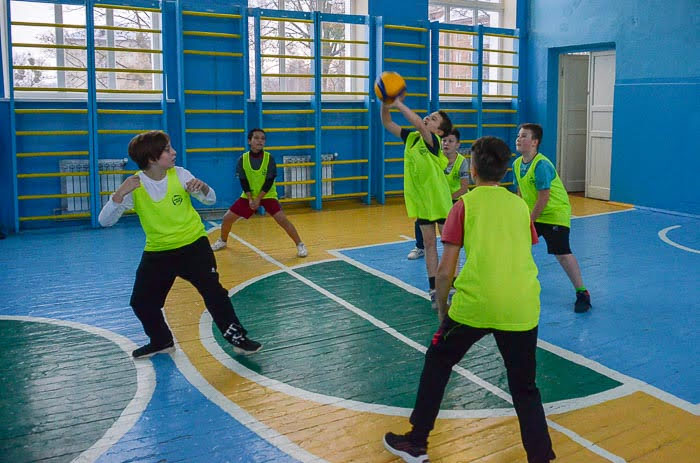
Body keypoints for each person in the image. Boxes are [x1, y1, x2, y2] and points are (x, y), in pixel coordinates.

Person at [383, 136, 556, 463]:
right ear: (506, 171)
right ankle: (541, 458)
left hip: (475, 304)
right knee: (525, 389)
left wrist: (443, 309)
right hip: (521, 305)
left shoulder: (464, 206)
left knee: (438, 361)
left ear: (472, 169)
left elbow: (446, 271)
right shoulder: (520, 205)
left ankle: (417, 442)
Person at [98, 131, 262, 358]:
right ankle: (161, 340)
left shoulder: (181, 174)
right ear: (152, 158)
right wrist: (118, 194)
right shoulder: (134, 185)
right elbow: (104, 221)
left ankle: (238, 338)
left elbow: (211, 199)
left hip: (194, 246)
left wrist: (203, 188)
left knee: (214, 293)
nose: (174, 152)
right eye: (167, 150)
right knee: (141, 302)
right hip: (158, 252)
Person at [381, 94, 453, 309]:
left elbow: (419, 126)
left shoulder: (433, 141)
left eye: (433, 119)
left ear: (439, 132)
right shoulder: (411, 139)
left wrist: (398, 103)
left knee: (450, 246)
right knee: (429, 245)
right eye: (428, 116)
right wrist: (385, 105)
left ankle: (452, 285)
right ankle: (433, 289)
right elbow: (387, 122)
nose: (427, 119)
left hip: (439, 201)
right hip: (423, 203)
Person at [514, 123, 591, 313]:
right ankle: (518, 283)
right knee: (517, 245)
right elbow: (520, 193)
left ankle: (582, 293)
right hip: (535, 214)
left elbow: (544, 196)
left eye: (524, 136)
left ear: (534, 142)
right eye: (518, 135)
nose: (518, 139)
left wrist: (529, 220)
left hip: (554, 213)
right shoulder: (516, 164)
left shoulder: (541, 165)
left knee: (562, 254)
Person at [211, 128, 308, 257]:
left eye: (263, 139)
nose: (260, 141)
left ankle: (300, 244)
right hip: (249, 196)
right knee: (227, 218)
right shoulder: (242, 159)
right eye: (256, 138)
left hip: (267, 195)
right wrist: (251, 198)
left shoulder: (269, 158)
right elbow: (243, 181)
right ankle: (222, 241)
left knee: (282, 219)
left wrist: (258, 199)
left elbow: (269, 181)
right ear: (249, 141)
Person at [406, 128, 470, 261]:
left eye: (451, 141)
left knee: (454, 226)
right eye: (444, 140)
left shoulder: (462, 162)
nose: (446, 143)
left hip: (455, 199)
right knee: (421, 216)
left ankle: (461, 247)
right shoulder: (434, 157)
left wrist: (445, 198)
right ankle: (420, 247)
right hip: (436, 197)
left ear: (458, 144)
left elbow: (464, 188)